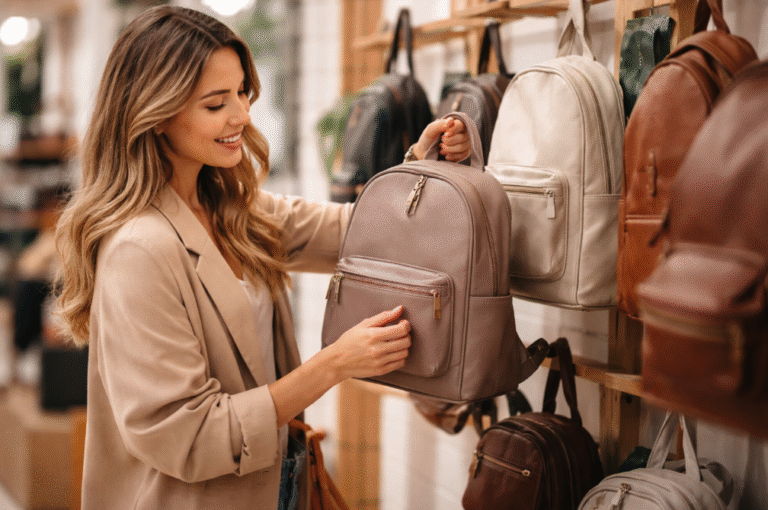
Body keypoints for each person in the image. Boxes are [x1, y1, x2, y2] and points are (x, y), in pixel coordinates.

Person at [53, 5, 472, 510]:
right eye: (215, 104)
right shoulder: (139, 250)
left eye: (241, 94)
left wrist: (421, 169)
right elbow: (188, 436)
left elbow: (353, 232)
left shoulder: (230, 207)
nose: (241, 116)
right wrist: (334, 365)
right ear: (156, 114)